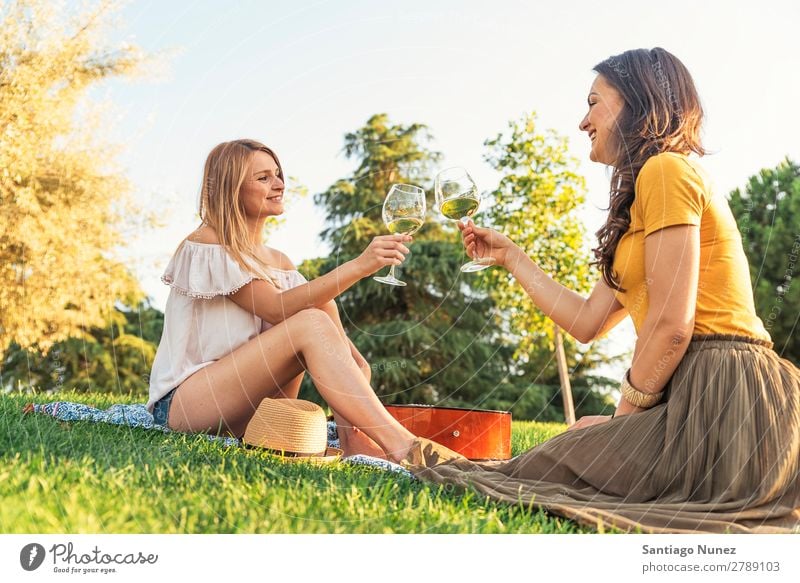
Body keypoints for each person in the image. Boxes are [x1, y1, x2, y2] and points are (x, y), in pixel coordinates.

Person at [407, 48, 800, 533]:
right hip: (692, 391)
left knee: (537, 472)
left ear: (637, 102)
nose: (582, 122)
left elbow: (672, 328)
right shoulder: (647, 193)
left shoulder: (667, 170)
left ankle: (399, 452)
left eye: (594, 103)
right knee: (565, 449)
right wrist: (511, 256)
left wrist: (623, 420)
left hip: (726, 397)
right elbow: (587, 322)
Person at [146, 139, 430, 462]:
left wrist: (352, 364)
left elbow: (338, 342)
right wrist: (358, 266)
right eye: (263, 178)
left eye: (278, 174)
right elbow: (275, 307)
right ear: (232, 188)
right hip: (185, 406)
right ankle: (403, 445)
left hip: (259, 418)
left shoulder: (280, 263)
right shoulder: (208, 243)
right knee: (308, 318)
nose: (279, 184)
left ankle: (355, 441)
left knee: (319, 308)